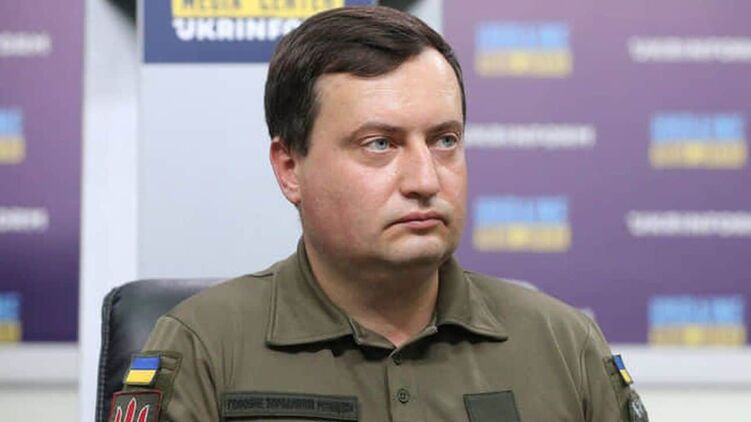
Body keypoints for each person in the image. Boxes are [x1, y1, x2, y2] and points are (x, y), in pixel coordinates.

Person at [108, 6, 648, 422]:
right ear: (290, 168)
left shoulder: (564, 345)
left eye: (444, 140)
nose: (425, 180)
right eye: (379, 144)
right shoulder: (202, 348)